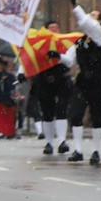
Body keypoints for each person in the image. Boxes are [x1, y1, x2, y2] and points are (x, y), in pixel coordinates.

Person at [61, 0, 101, 164]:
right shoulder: (80, 41)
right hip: (83, 80)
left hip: (96, 80)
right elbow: (69, 60)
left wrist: (75, 5)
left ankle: (96, 150)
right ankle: (78, 150)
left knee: (96, 115)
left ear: (100, 21)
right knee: (75, 114)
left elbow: (84, 21)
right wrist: (56, 56)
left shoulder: (99, 34)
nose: (90, 16)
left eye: (94, 15)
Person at [33, 21, 73, 155]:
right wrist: (21, 73)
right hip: (44, 79)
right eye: (50, 29)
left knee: (62, 109)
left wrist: (58, 56)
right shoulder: (38, 45)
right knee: (47, 112)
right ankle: (49, 143)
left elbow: (70, 61)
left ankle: (62, 141)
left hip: (62, 78)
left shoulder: (66, 42)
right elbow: (29, 59)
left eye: (56, 28)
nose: (53, 31)